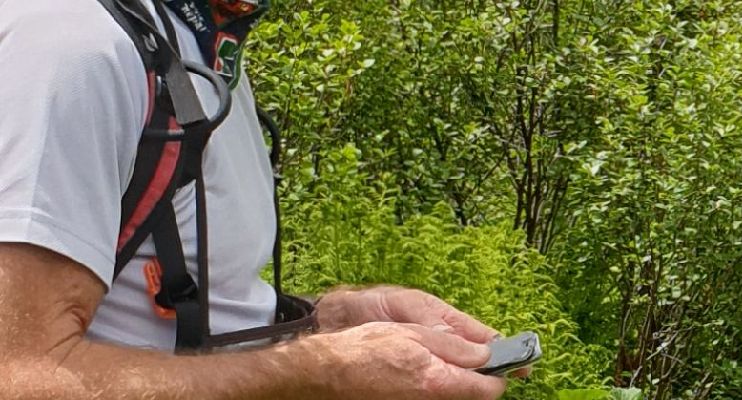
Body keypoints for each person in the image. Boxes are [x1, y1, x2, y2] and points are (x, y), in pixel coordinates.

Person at [0, 0, 514, 398]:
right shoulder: (72, 48)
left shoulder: (197, 48)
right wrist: (322, 371)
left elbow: (165, 309)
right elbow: (18, 372)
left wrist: (329, 323)